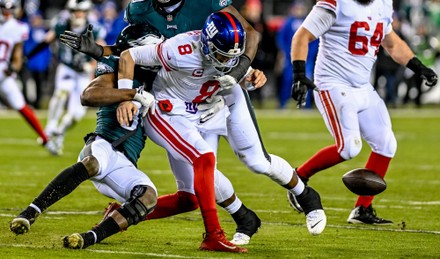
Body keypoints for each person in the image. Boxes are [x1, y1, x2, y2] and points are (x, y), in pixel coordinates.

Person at [60, 0, 327, 244]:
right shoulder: (174, 44)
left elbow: (240, 45)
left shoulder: (214, 23)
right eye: (222, 56)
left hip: (221, 91)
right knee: (197, 181)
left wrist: (242, 73)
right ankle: (242, 217)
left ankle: (305, 195)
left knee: (256, 160)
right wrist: (110, 71)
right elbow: (127, 52)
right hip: (177, 104)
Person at [9, 24, 161, 251]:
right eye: (151, 49)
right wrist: (132, 94)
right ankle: (30, 212)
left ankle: (89, 237)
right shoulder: (116, 67)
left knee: (149, 197)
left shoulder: (162, 75)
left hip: (126, 163)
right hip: (104, 145)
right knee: (92, 163)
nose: (155, 55)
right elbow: (89, 95)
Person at [287, 0, 438, 224]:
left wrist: (419, 67)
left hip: (362, 86)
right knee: (348, 148)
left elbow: (392, 43)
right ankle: (297, 178)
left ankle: (362, 209)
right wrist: (299, 74)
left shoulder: (383, 4)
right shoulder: (336, 4)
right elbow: (302, 36)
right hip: (333, 84)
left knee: (386, 144)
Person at [27, 0, 106, 155]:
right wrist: (28, 56)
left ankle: (59, 133)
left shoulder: (94, 28)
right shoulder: (61, 24)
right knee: (61, 93)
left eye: (81, 11)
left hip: (83, 72)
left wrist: (90, 66)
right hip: (66, 67)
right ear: (70, 11)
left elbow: (101, 51)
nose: (78, 14)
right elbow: (46, 40)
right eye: (75, 11)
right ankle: (50, 128)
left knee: (76, 114)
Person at [0, 0, 55, 154]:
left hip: (3, 70)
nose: (6, 12)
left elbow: (17, 56)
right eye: (3, 8)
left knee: (21, 105)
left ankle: (45, 139)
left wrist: (13, 68)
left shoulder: (18, 27)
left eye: (10, 9)